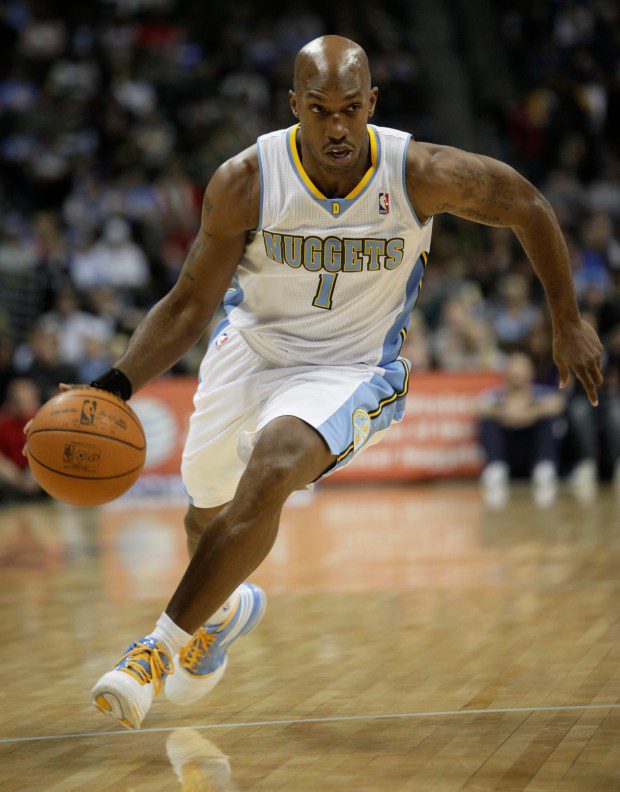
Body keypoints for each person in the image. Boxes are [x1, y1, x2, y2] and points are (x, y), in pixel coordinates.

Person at [26, 36, 603, 729]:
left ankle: (156, 649)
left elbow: (527, 204)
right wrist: (111, 386)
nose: (337, 127)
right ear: (293, 104)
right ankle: (222, 613)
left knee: (271, 469)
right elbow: (187, 305)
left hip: (352, 367)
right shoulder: (246, 179)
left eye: (351, 110)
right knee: (206, 515)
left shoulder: (417, 171)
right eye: (320, 109)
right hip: (251, 349)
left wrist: (566, 318)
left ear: (372, 105)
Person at [478, 353, 565, 508]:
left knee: (548, 419)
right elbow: (477, 407)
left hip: (533, 451)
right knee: (488, 421)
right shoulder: (495, 395)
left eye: (521, 372)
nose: (517, 376)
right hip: (507, 452)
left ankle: (544, 466)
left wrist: (529, 413)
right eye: (514, 373)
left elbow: (557, 404)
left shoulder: (542, 393)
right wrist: (503, 412)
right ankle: (495, 467)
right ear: (506, 375)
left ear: (530, 374)